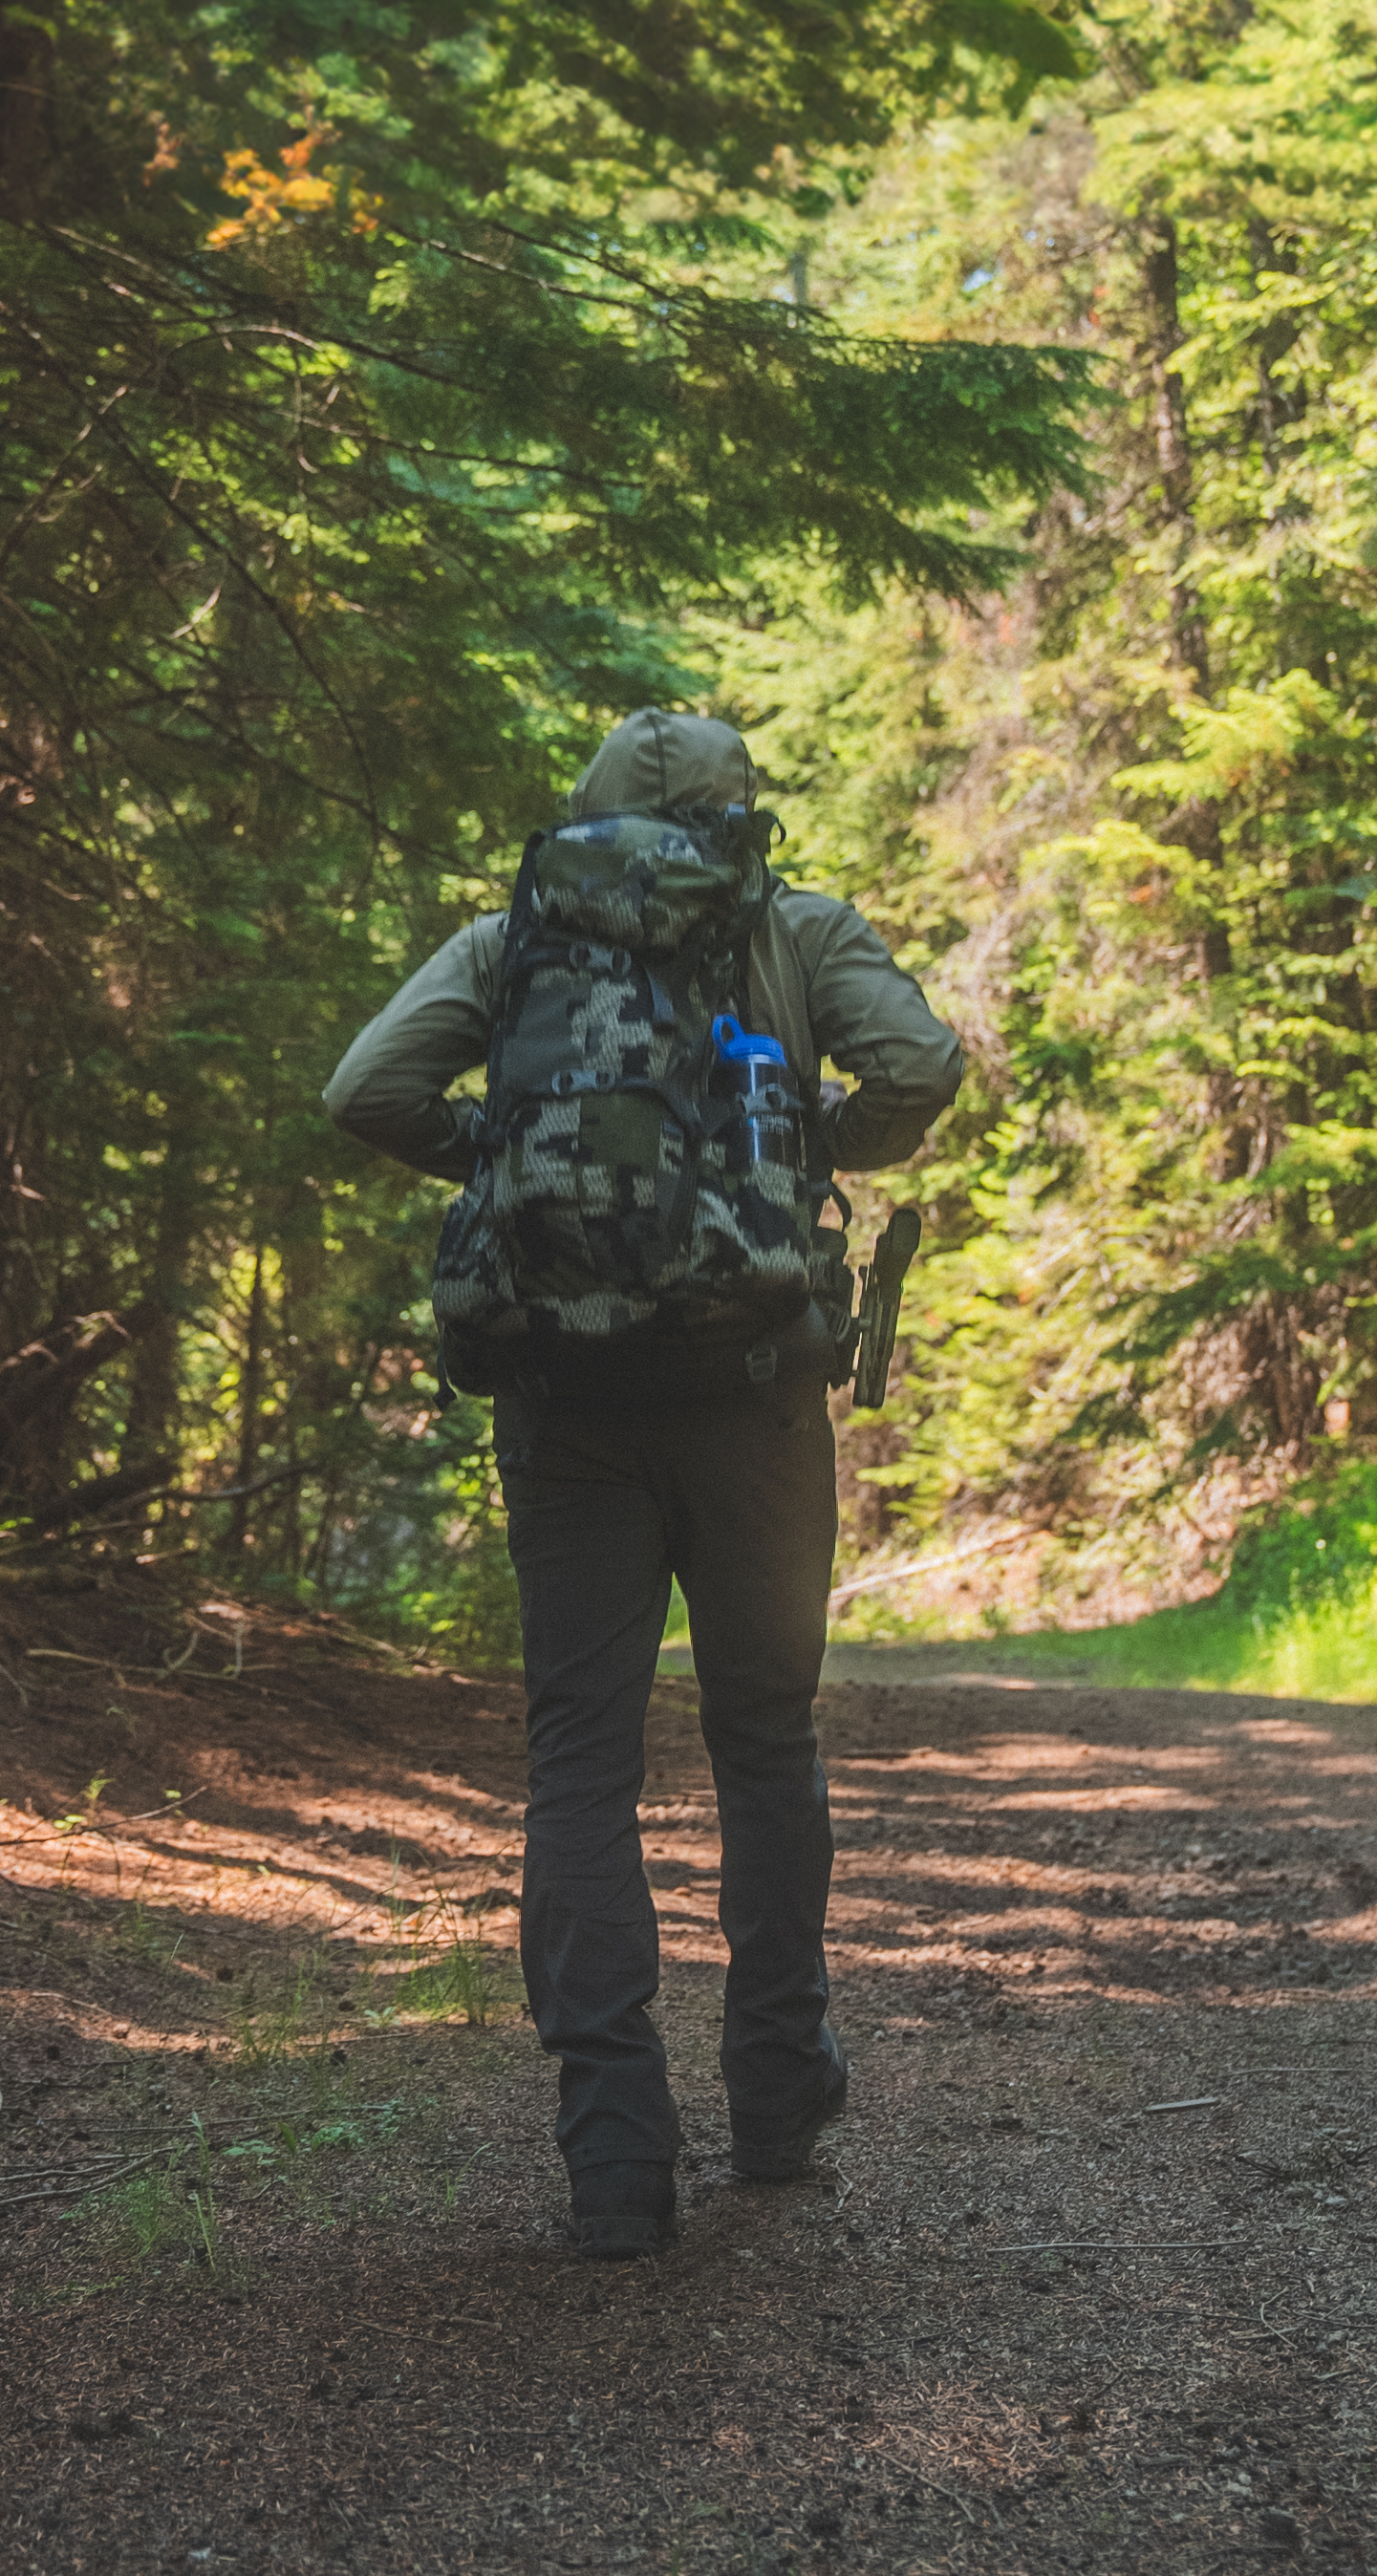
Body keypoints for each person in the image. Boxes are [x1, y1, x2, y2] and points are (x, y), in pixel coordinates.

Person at [322, 709, 967, 2258]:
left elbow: (365, 1090)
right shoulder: (794, 925)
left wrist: (502, 1150)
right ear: (749, 811)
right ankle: (771, 2093)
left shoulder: (513, 937)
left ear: (587, 808)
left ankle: (612, 2154)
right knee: (763, 1735)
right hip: (753, 1400)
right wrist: (788, 1135)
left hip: (568, 1407)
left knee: (581, 1767)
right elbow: (921, 1066)